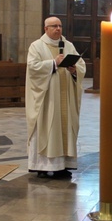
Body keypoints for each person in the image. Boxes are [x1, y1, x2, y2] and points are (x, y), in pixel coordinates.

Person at [26, 17, 86, 179]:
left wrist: (74, 71)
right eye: (54, 26)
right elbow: (32, 68)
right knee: (48, 128)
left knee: (65, 128)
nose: (58, 29)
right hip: (47, 99)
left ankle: (63, 166)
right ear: (46, 29)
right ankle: (43, 166)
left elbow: (81, 66)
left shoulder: (68, 45)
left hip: (65, 98)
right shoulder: (36, 46)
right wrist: (53, 63)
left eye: (60, 26)